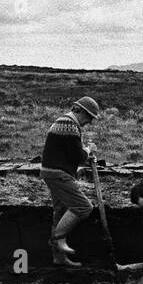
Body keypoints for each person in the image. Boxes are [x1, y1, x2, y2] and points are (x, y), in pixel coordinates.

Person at [41, 96, 100, 267]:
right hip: (58, 174)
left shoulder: (62, 122)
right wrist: (88, 151)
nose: (88, 122)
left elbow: (67, 154)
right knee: (83, 207)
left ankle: (59, 258)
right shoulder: (70, 125)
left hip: (51, 172)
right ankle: (56, 239)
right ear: (79, 110)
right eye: (88, 118)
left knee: (60, 212)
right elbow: (77, 156)